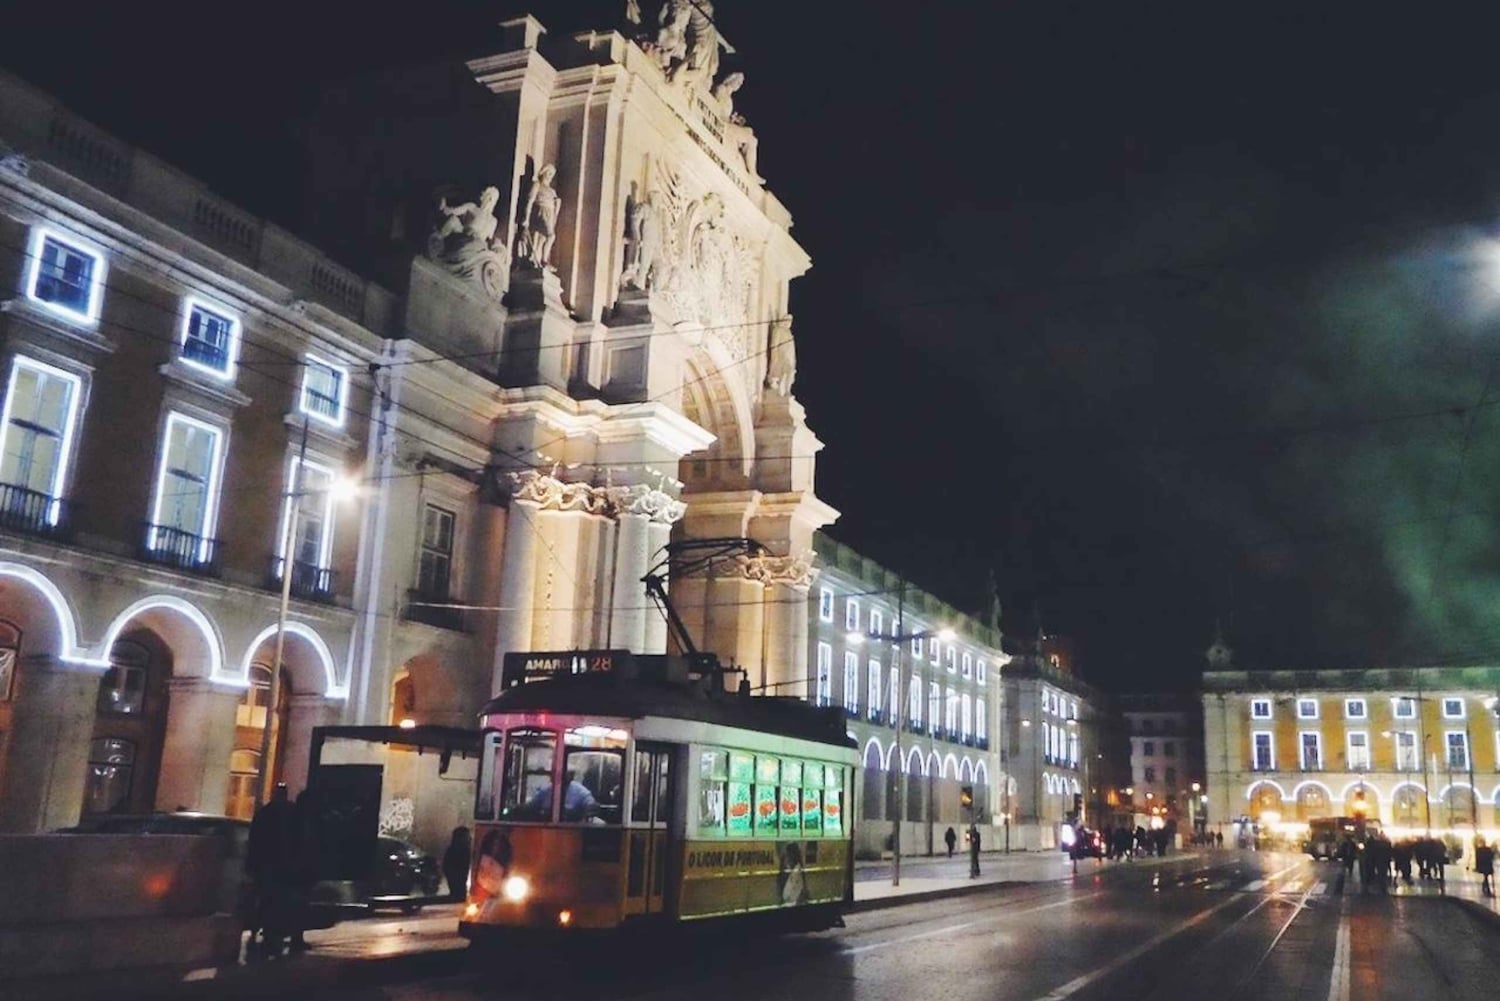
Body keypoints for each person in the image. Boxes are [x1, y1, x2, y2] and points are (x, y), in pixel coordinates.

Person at [247, 783, 298, 958]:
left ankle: (262, 933)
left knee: (265, 900)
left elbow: (254, 839)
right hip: (280, 865)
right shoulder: (291, 813)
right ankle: (272, 934)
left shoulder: (265, 813)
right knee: (276, 900)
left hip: (268, 865)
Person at [443, 826, 472, 903]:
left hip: (457, 877)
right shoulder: (461, 850)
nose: (470, 838)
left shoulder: (453, 849)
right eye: (467, 836)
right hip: (457, 877)